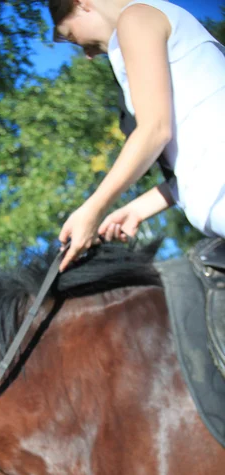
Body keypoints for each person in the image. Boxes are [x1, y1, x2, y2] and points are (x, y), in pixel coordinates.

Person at [49, 0, 225, 272]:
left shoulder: (135, 17)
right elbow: (201, 157)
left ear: (81, 3)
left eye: (73, 36)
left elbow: (155, 129)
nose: (87, 54)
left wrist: (92, 209)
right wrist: (137, 209)